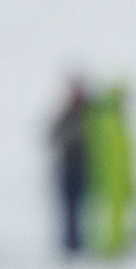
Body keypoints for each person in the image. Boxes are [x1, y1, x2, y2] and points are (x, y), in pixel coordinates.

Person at [86, 83, 136, 258]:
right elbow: (99, 153)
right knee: (106, 216)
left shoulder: (118, 121)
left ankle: (116, 246)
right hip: (108, 179)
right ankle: (108, 249)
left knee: (117, 216)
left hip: (118, 179)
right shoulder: (107, 121)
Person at [49, 80, 89, 257]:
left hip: (85, 170)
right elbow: (52, 137)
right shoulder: (67, 117)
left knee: (84, 209)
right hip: (69, 169)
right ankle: (72, 245)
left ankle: (81, 243)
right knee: (70, 210)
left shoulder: (90, 116)